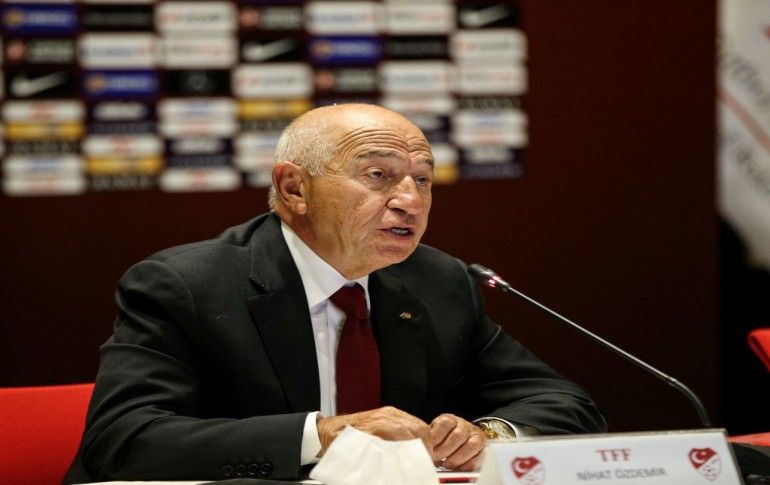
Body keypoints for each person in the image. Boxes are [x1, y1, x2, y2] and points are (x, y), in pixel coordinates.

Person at [71, 104, 606, 482]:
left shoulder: (438, 280)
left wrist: (486, 434)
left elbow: (565, 404)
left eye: (422, 179)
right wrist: (324, 434)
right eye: (378, 175)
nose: (409, 200)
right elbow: (122, 439)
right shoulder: (185, 284)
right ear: (294, 188)